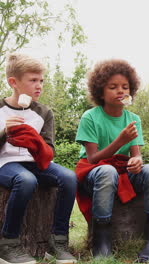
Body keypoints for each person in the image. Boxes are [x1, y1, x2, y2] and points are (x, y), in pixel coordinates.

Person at [75, 59, 149, 262]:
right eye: (113, 87)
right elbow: (92, 158)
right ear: (100, 91)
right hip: (96, 173)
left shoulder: (133, 119)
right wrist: (120, 140)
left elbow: (136, 154)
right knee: (108, 172)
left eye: (125, 87)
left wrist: (137, 161)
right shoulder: (90, 117)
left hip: (123, 171)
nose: (120, 91)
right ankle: (102, 244)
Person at [0, 54, 77, 264]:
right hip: (5, 163)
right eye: (33, 80)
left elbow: (49, 151)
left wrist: (35, 142)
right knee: (26, 180)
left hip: (35, 163)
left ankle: (58, 241)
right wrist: (5, 132)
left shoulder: (43, 112)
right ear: (13, 82)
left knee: (69, 177)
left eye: (41, 80)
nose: (39, 85)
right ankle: (8, 243)